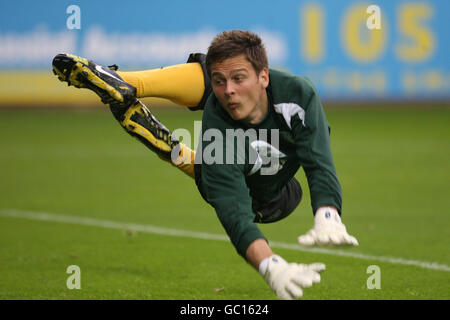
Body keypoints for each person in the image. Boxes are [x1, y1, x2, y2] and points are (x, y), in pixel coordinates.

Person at [52, 30, 358, 300]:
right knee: (240, 170)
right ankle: (174, 148)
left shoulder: (296, 95)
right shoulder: (218, 125)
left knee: (256, 178)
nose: (229, 90)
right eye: (220, 82)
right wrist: (271, 265)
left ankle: (128, 83)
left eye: (240, 78)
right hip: (251, 179)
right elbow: (235, 210)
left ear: (264, 76)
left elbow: (316, 157)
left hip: (249, 169)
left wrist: (328, 211)